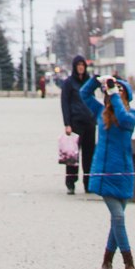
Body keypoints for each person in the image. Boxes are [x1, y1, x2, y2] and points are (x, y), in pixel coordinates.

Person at [82, 70, 135, 269]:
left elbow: (123, 119)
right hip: (105, 174)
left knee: (117, 220)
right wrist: (96, 80)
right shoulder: (100, 113)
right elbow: (84, 95)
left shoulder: (131, 115)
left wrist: (115, 91)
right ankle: (128, 262)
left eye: (118, 91)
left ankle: (107, 262)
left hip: (123, 174)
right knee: (118, 217)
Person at [61, 55, 99, 192]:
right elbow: (65, 104)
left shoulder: (89, 82)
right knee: (73, 156)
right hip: (75, 122)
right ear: (75, 67)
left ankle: (88, 183)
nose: (81, 67)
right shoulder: (69, 83)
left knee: (89, 155)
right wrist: (67, 124)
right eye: (79, 65)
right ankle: (70, 183)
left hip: (89, 122)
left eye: (83, 65)